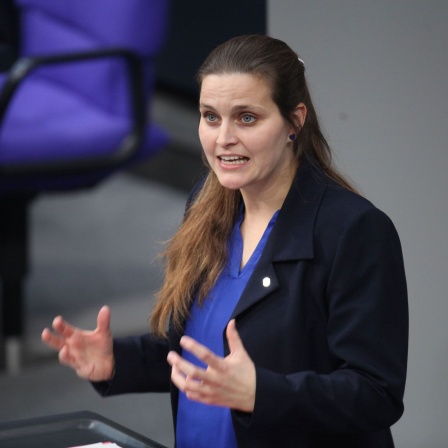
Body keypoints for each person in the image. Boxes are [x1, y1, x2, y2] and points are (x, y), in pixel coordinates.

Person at [42, 35, 408, 448]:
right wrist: (118, 361)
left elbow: (376, 393)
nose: (223, 138)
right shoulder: (205, 202)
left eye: (246, 118)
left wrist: (259, 394)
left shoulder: (354, 231)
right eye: (210, 117)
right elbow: (203, 349)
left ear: (294, 121)